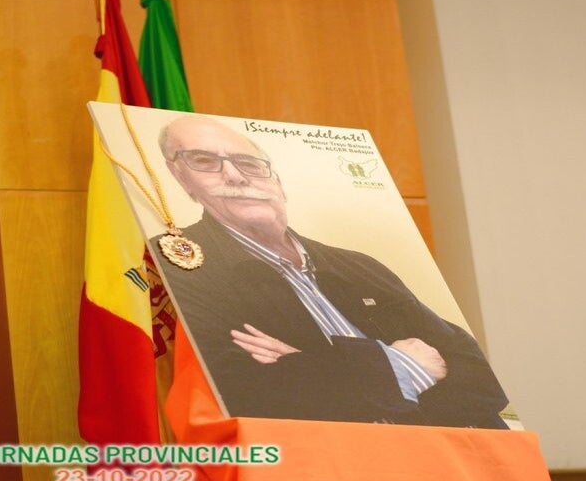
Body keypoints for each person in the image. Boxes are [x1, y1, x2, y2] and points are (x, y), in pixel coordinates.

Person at [152, 116, 509, 428]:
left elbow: (483, 376)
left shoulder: (360, 266)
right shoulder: (179, 266)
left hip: (457, 461)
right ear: (181, 177)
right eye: (204, 161)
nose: (234, 175)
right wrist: (402, 366)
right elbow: (246, 393)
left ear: (278, 183)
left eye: (248, 163)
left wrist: (312, 368)